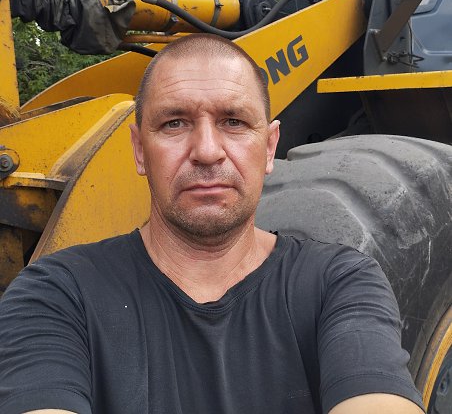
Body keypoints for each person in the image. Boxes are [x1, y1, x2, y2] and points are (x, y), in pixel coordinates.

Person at [0, 34, 425, 414]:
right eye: (174, 123)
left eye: (233, 122)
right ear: (140, 150)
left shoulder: (338, 283)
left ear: (270, 147)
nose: (206, 151)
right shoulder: (57, 294)